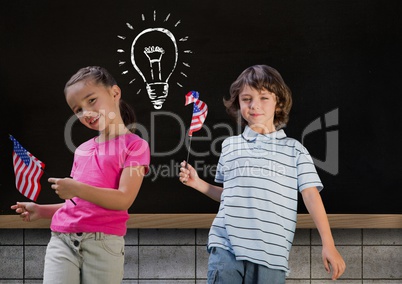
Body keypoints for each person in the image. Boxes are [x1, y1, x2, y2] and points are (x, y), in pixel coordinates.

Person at [179, 65, 345, 283]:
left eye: (264, 98)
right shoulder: (230, 146)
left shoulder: (294, 150)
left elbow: (311, 195)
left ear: (278, 103)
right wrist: (198, 183)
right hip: (226, 247)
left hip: (271, 255)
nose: (254, 105)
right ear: (238, 102)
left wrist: (328, 244)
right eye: (247, 98)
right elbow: (230, 194)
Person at [11, 66, 150, 284]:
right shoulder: (82, 149)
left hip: (103, 245)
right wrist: (41, 210)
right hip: (62, 240)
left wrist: (76, 188)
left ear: (115, 93)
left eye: (91, 100)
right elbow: (79, 204)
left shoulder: (136, 146)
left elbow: (124, 199)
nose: (85, 113)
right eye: (77, 110)